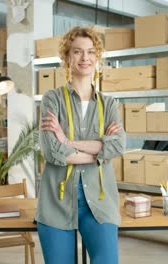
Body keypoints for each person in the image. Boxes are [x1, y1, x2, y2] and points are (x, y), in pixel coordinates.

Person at [35, 26, 126, 264]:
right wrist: (98, 151)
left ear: (97, 57)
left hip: (100, 202)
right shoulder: (51, 99)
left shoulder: (109, 104)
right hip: (56, 202)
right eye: (77, 52)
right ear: (67, 57)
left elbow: (118, 146)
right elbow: (52, 152)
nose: (85, 58)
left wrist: (68, 141)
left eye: (90, 52)